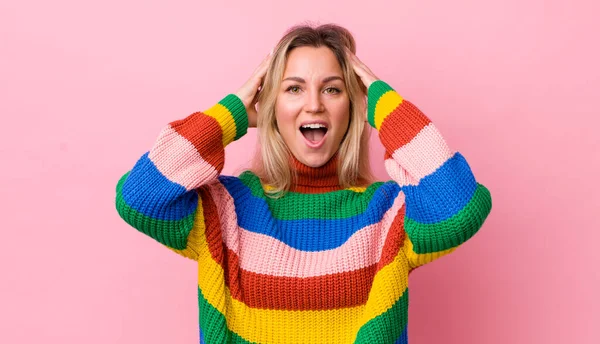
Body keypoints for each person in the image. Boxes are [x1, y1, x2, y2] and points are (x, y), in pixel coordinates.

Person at [115, 23, 492, 344]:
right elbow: (139, 198)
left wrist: (382, 104)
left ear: (354, 107)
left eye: (332, 89)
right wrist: (229, 113)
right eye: (294, 88)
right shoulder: (224, 210)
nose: (314, 105)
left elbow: (459, 208)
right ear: (270, 107)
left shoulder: (390, 214)